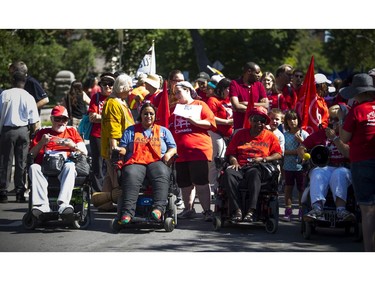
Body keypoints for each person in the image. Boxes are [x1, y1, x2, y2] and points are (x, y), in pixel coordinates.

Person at [115, 102, 177, 224]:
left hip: (156, 161)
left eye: (151, 114)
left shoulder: (163, 131)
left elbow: (173, 147)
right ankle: (127, 213)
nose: (148, 116)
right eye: (145, 113)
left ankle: (158, 209)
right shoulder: (130, 130)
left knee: (162, 172)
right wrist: (117, 149)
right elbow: (123, 148)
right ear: (140, 115)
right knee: (130, 173)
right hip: (136, 160)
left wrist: (168, 154)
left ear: (155, 116)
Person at [221, 106, 282, 222]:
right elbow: (231, 153)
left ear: (265, 123)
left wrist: (264, 159)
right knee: (228, 173)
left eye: (262, 120)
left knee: (254, 173)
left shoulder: (270, 136)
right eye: (256, 119)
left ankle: (251, 211)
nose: (259, 122)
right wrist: (234, 161)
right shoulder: (239, 134)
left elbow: (278, 154)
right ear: (250, 120)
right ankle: (237, 210)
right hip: (240, 165)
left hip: (258, 166)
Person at [297, 104, 355, 223]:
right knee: (318, 172)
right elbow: (302, 146)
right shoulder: (321, 133)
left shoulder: (350, 135)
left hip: (343, 167)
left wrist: (334, 138)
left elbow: (348, 153)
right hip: (324, 167)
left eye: (336, 119)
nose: (332, 122)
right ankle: (317, 209)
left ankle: (341, 210)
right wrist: (303, 155)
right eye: (331, 119)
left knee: (339, 174)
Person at [169, 81, 217, 221]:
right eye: (175, 93)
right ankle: (188, 209)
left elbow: (210, 123)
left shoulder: (200, 105)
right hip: (180, 152)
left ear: (188, 90)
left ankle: (207, 211)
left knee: (200, 181)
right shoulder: (175, 108)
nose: (176, 95)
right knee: (185, 183)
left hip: (198, 149)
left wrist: (195, 121)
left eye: (179, 92)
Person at [28, 105, 88, 216]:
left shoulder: (72, 132)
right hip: (45, 167)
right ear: (51, 119)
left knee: (70, 166)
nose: (61, 122)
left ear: (67, 120)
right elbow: (31, 154)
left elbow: (85, 152)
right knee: (33, 167)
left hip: (65, 166)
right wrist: (42, 142)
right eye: (57, 119)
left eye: (64, 119)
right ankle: (42, 205)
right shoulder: (42, 133)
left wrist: (72, 145)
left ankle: (63, 204)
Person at [338, 73, 375, 251]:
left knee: (367, 210)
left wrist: (341, 121)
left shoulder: (358, 110)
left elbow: (344, 138)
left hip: (362, 162)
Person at [94, 73, 135, 211]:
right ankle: (121, 204)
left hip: (120, 145)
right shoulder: (113, 103)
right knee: (116, 178)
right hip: (116, 148)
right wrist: (114, 148)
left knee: (109, 176)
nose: (131, 89)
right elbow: (113, 127)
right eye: (130, 87)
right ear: (122, 87)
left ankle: (104, 204)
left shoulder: (120, 101)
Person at [0, 71, 39, 203]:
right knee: (21, 162)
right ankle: (20, 192)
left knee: (6, 161)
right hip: (23, 130)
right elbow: (34, 120)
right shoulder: (28, 96)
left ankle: (3, 191)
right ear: (25, 82)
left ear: (12, 80)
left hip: (7, 130)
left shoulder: (5, 94)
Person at [88, 72, 115, 193]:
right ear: (101, 86)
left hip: (113, 136)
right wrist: (110, 118)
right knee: (98, 164)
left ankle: (111, 189)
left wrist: (101, 117)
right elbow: (92, 117)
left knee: (111, 164)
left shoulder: (116, 99)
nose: (108, 87)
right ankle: (98, 192)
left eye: (111, 84)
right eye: (105, 84)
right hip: (97, 135)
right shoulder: (96, 97)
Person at [206, 78, 233, 194]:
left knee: (227, 161)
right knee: (217, 160)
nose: (231, 92)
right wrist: (226, 122)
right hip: (216, 133)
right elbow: (210, 116)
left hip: (230, 134)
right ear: (222, 89)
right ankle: (211, 188)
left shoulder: (230, 100)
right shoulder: (213, 100)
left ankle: (223, 186)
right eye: (229, 89)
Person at [281, 110, 309, 221]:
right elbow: (282, 151)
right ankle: (288, 210)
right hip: (288, 167)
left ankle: (301, 210)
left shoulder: (304, 134)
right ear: (286, 122)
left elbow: (308, 149)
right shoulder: (285, 135)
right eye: (289, 119)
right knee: (288, 188)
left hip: (301, 167)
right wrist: (295, 151)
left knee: (301, 189)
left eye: (294, 119)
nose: (292, 121)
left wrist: (301, 141)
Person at [229, 62, 268, 131]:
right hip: (240, 126)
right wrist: (257, 109)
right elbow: (236, 106)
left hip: (256, 127)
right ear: (249, 71)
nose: (259, 75)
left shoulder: (259, 85)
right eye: (257, 72)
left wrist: (246, 103)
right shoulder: (234, 84)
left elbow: (266, 104)